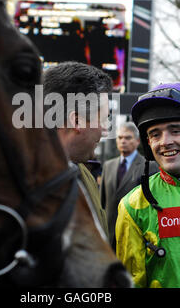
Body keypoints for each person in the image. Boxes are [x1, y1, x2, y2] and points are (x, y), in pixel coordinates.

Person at [116, 82, 180, 288]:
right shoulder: (132, 205)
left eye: (175, 130)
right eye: (155, 134)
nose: (165, 142)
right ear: (147, 144)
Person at [43, 61, 112, 238]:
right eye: (103, 119)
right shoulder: (16, 187)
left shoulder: (85, 174)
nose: (105, 130)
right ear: (77, 121)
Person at [100, 122, 159, 249]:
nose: (123, 141)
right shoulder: (108, 166)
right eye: (120, 138)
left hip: (135, 235)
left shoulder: (149, 166)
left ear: (137, 141)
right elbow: (102, 203)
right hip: (109, 234)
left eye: (128, 138)